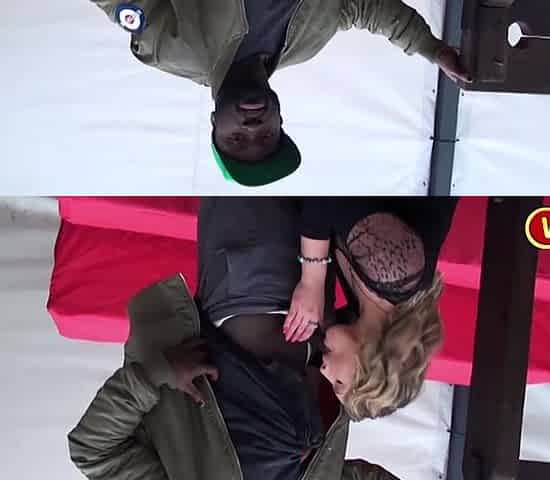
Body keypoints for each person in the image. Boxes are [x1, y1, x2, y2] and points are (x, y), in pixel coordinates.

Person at [68, 197, 400, 480]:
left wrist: (159, 373)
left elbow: (92, 449)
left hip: (245, 295)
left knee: (258, 158)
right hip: (319, 332)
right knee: (329, 174)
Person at [89, 1, 471, 186]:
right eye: (266, 135)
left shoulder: (174, 49)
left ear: (214, 122)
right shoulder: (309, 43)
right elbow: (363, 7)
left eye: (237, 139)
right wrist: (431, 48)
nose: (252, 127)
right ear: (279, 119)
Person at [283, 197, 458, 421]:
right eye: (339, 383)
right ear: (370, 365)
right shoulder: (396, 270)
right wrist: (312, 278)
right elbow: (329, 189)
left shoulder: (366, 305)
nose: (324, 371)